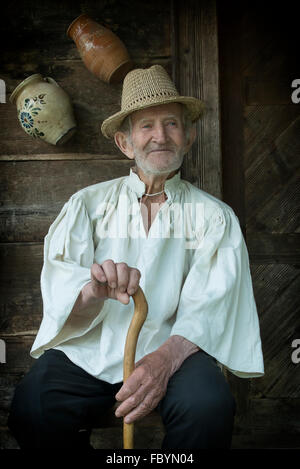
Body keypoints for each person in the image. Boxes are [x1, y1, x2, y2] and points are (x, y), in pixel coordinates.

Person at [8, 65, 264, 449]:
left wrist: (164, 360)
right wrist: (92, 291)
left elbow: (210, 306)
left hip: (176, 349)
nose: (160, 136)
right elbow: (63, 297)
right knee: (34, 405)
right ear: (125, 143)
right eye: (146, 126)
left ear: (189, 137)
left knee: (208, 407)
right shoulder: (87, 205)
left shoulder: (214, 217)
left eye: (172, 124)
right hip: (91, 349)